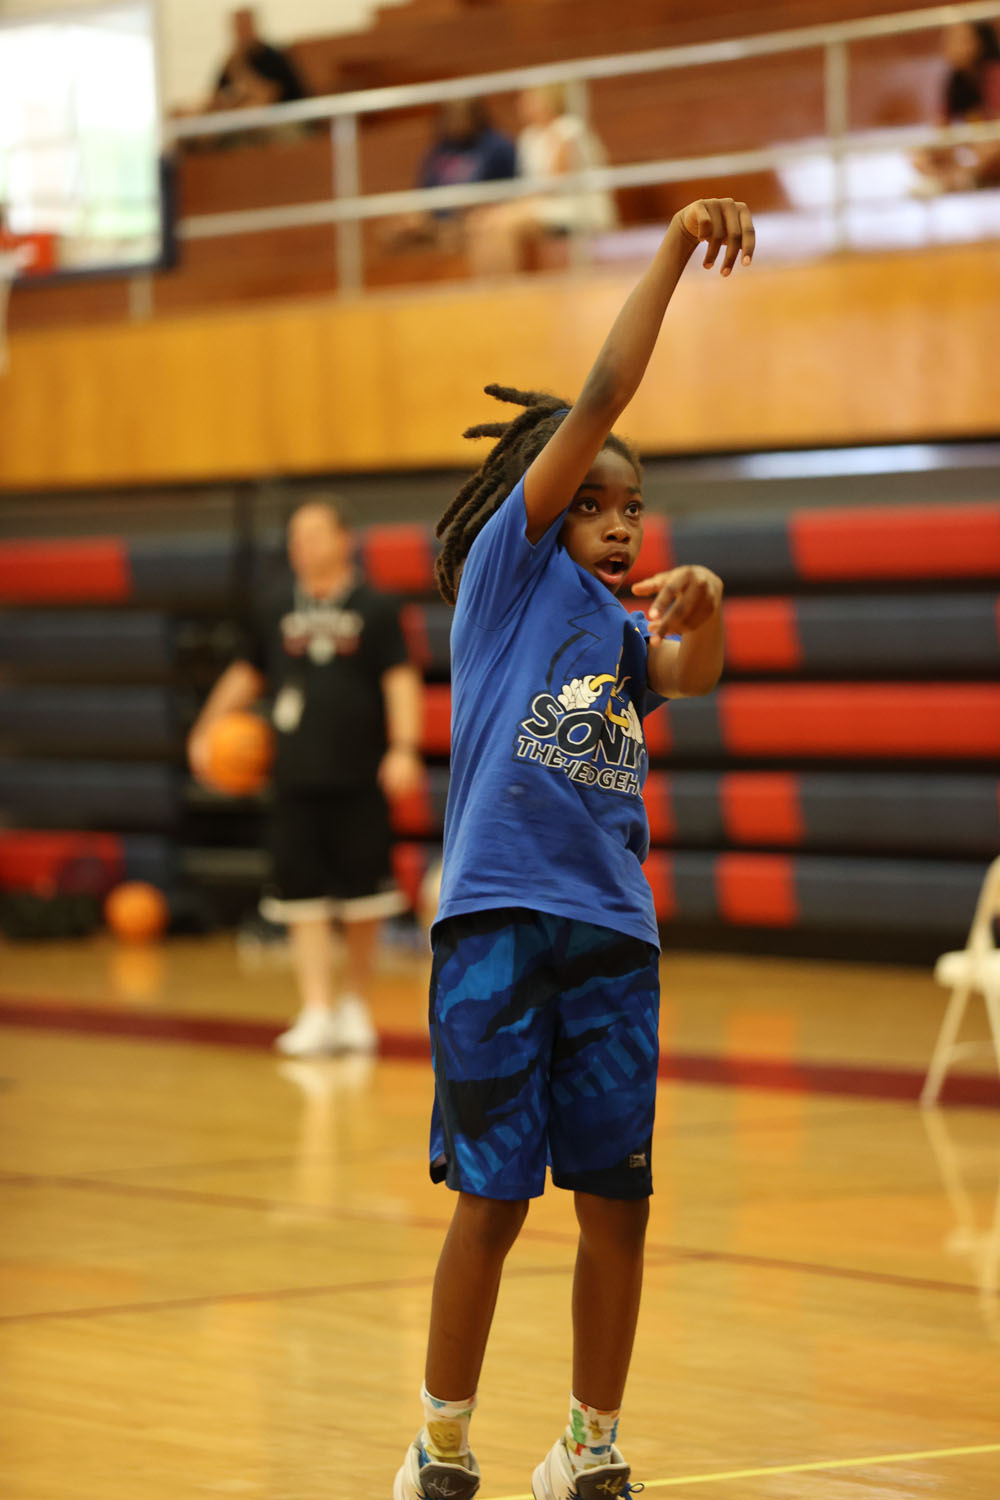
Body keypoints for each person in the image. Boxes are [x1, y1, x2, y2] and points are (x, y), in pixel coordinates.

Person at [393, 196, 754, 1500]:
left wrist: (703, 611)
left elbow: (690, 676)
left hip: (612, 929)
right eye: (594, 496)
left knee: (620, 1203)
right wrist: (668, 250)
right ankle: (439, 1449)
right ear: (542, 500)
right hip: (495, 918)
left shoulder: (612, 632)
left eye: (635, 510)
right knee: (492, 1201)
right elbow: (601, 390)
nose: (618, 520)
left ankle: (588, 1448)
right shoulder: (507, 573)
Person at [188, 498, 423, 1057]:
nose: (303, 546)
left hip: (361, 775)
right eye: (295, 537)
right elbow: (246, 675)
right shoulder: (273, 607)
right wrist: (206, 728)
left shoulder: (377, 607)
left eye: (315, 534)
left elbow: (400, 681)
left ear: (345, 538)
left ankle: (355, 1007)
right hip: (294, 778)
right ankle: (316, 1008)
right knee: (303, 900)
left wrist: (405, 748)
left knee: (366, 900)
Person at [467, 85, 617, 276]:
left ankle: (506, 290)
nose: (522, 104)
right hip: (541, 204)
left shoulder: (568, 129)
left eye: (529, 98)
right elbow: (529, 186)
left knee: (505, 225)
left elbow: (555, 184)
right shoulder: (529, 137)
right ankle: (487, 291)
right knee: (482, 225)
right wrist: (501, 211)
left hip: (575, 205)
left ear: (547, 100)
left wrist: (510, 211)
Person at [384, 99, 517, 254]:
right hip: (437, 217)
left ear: (476, 115)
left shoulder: (498, 147)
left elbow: (511, 189)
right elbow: (424, 192)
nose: (456, 121)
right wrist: (416, 214)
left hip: (474, 216)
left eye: (461, 115)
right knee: (395, 230)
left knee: (457, 233)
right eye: (451, 115)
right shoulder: (440, 149)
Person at [913, 21, 1000, 193]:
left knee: (990, 145)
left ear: (979, 43)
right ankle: (956, 179)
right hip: (976, 150)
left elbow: (995, 132)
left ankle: (957, 180)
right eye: (947, 40)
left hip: (991, 148)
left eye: (959, 40)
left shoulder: (994, 74)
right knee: (920, 155)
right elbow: (941, 128)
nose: (949, 47)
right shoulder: (954, 81)